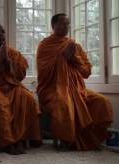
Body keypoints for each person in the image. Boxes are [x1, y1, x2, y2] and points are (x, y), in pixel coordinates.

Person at [36, 13, 113, 150]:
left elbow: (86, 72)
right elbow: (43, 72)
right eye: (62, 23)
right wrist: (63, 56)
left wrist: (73, 58)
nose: (66, 26)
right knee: (64, 103)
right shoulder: (44, 45)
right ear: (53, 26)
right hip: (53, 89)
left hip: (78, 89)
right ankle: (67, 140)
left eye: (68, 23)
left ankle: (91, 139)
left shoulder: (74, 45)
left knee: (101, 101)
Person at [0, 24, 41, 155]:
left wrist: (8, 62)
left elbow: (21, 75)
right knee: (0, 103)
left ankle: (23, 137)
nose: (0, 34)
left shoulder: (12, 53)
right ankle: (8, 142)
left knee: (29, 98)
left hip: (11, 85)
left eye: (3, 32)